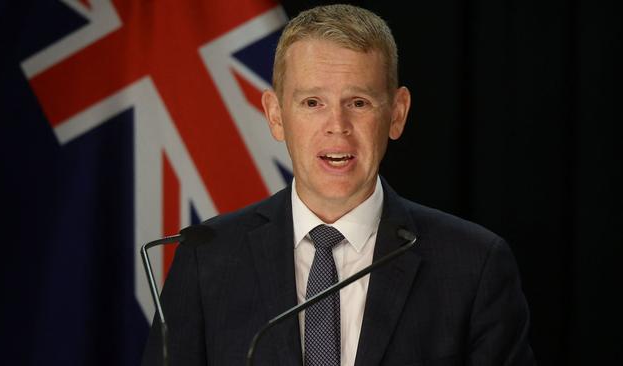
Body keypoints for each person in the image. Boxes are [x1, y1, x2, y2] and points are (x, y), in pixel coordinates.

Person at [142, 4, 535, 366]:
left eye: (359, 102)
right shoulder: (206, 257)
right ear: (275, 115)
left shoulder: (473, 264)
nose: (337, 125)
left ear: (396, 115)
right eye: (313, 103)